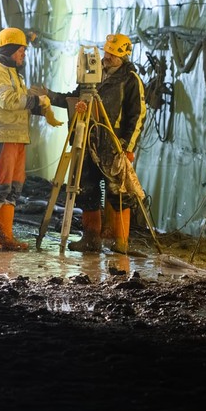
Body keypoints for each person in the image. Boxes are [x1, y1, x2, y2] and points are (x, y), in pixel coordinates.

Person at [43, 33, 146, 254]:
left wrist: (127, 148)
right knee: (86, 190)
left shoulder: (130, 80)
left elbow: (137, 117)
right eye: (106, 51)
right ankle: (91, 239)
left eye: (112, 53)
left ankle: (121, 242)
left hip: (113, 143)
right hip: (88, 139)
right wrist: (50, 96)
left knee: (119, 192)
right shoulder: (93, 73)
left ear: (123, 56)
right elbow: (76, 97)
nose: (107, 56)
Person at [0, 27, 63, 251]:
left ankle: (5, 235)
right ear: (10, 49)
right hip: (0, 138)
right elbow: (7, 100)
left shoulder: (12, 72)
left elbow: (19, 103)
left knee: (13, 189)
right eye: (21, 50)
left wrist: (40, 107)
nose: (24, 54)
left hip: (16, 137)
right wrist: (36, 101)